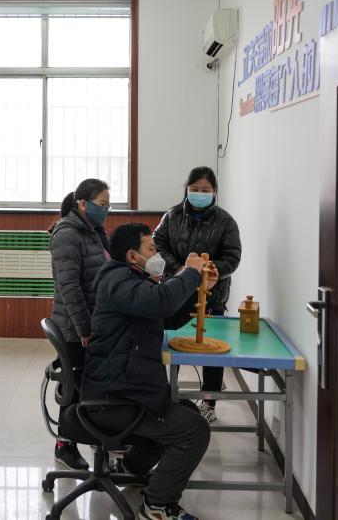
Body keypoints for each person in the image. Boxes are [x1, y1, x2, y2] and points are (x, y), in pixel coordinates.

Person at [82, 222, 215, 520]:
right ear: (132, 255)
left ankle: (130, 469)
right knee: (194, 430)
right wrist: (190, 272)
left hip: (123, 388)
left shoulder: (132, 279)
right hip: (113, 399)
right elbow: (162, 301)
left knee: (185, 411)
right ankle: (158, 505)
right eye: (151, 248)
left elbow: (168, 314)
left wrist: (199, 287)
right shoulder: (119, 281)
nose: (157, 255)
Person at [153, 166, 242, 423]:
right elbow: (157, 242)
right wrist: (179, 268)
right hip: (175, 291)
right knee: (172, 344)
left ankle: (209, 402)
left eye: (205, 190)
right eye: (195, 189)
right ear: (187, 190)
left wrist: (213, 269)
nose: (200, 194)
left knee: (213, 351)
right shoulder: (172, 216)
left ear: (214, 191)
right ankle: (169, 396)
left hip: (212, 294)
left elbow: (233, 256)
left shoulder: (225, 221)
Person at [48, 177, 111, 470]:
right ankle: (65, 445)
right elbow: (70, 288)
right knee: (74, 387)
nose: (105, 210)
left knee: (87, 383)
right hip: (74, 327)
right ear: (83, 204)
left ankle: (96, 434)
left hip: (90, 320)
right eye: (102, 204)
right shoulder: (67, 234)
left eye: (108, 205)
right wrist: (85, 329)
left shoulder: (92, 230)